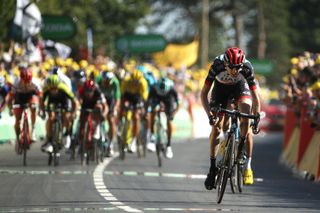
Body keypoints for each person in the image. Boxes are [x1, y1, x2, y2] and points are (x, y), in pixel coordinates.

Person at [200, 47, 261, 189]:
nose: (234, 71)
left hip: (240, 87)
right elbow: (203, 94)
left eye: (237, 68)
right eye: (232, 67)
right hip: (220, 89)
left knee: (246, 115)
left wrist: (256, 118)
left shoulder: (246, 67)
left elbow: (255, 98)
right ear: (225, 64)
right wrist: (210, 115)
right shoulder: (216, 66)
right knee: (217, 128)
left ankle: (246, 162)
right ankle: (212, 167)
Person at [39, 74, 78, 153]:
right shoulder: (46, 89)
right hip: (52, 102)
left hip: (64, 101)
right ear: (49, 87)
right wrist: (42, 111)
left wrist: (74, 112)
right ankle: (49, 139)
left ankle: (67, 134)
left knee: (66, 116)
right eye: (51, 89)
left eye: (55, 88)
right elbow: (41, 101)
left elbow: (75, 101)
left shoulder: (64, 88)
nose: (53, 91)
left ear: (58, 86)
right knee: (51, 118)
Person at [8, 65, 41, 153]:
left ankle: (33, 129)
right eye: (24, 81)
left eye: (28, 81)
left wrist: (41, 108)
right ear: (20, 78)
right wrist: (10, 108)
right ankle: (18, 137)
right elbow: (10, 97)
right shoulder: (16, 82)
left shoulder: (35, 82)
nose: (26, 83)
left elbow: (40, 96)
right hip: (19, 97)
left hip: (31, 96)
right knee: (17, 120)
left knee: (34, 106)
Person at [147, 76, 179, 158]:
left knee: (169, 120)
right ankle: (152, 137)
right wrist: (148, 110)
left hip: (168, 99)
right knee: (153, 112)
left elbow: (178, 104)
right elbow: (148, 101)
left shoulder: (172, 90)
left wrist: (172, 114)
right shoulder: (154, 88)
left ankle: (169, 146)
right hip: (156, 98)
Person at [120, 69, 148, 153]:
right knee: (125, 115)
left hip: (138, 98)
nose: (135, 83)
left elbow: (143, 98)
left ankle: (134, 140)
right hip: (128, 96)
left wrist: (142, 108)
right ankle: (123, 133)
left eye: (137, 82)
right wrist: (123, 106)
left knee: (136, 117)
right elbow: (122, 96)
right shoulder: (126, 81)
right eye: (133, 81)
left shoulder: (143, 83)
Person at [78, 79, 107, 153]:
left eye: (90, 91)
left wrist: (104, 114)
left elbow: (105, 106)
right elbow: (77, 102)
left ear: (94, 89)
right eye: (87, 91)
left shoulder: (98, 93)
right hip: (85, 104)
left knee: (99, 107)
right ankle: (81, 140)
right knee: (82, 121)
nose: (88, 93)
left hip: (95, 105)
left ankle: (96, 128)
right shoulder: (81, 91)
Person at [98, 71, 121, 156]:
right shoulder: (98, 80)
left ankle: (110, 144)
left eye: (109, 82)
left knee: (111, 119)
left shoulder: (115, 82)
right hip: (100, 98)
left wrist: (115, 109)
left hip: (110, 99)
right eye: (106, 82)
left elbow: (117, 98)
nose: (107, 84)